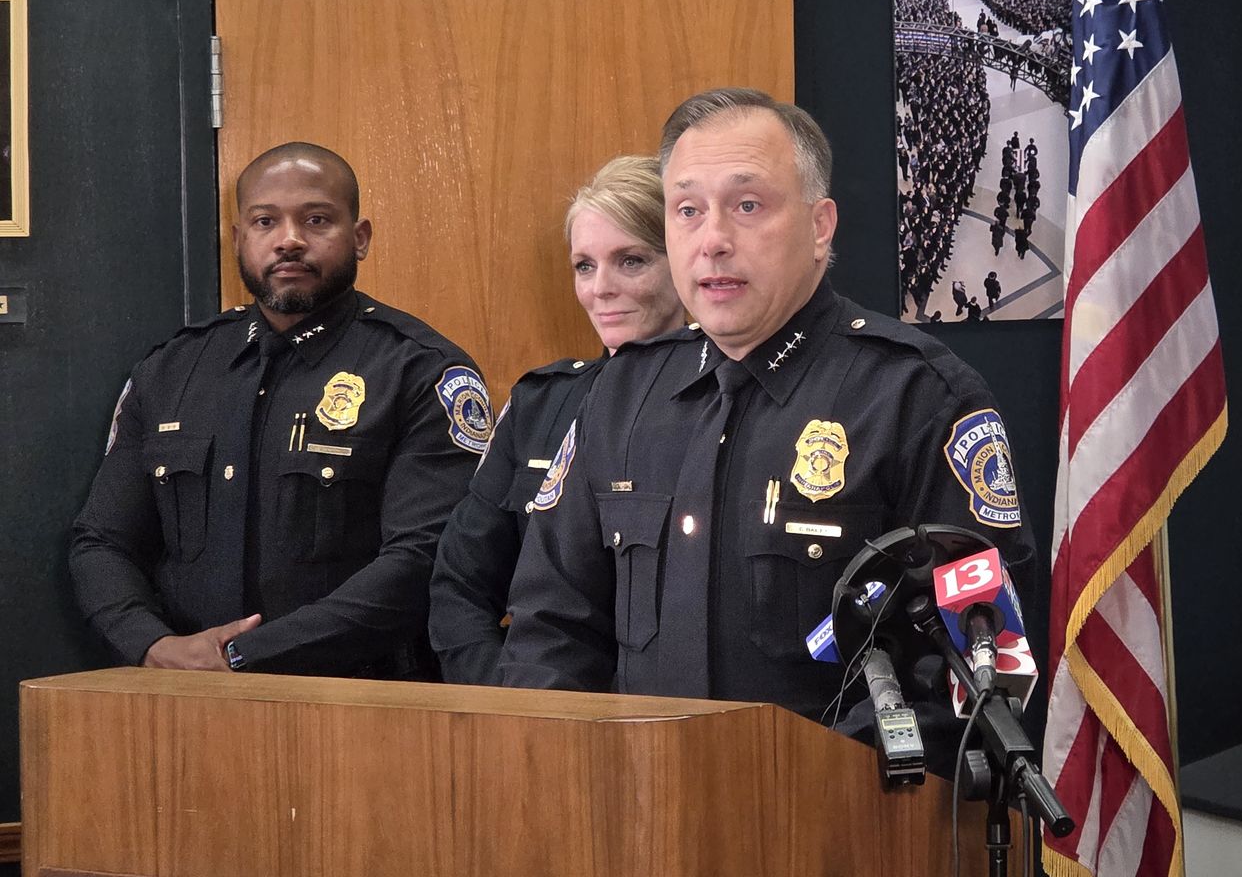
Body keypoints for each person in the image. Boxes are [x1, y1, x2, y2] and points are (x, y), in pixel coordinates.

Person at [497, 89, 1035, 737]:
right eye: (688, 210)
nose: (714, 240)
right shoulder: (620, 396)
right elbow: (550, 626)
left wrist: (800, 795)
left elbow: (970, 667)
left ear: (819, 226)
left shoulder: (917, 399)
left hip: (835, 822)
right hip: (635, 813)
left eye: (747, 205)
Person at [69, 142, 488, 679]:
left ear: (359, 239)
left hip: (360, 700)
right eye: (265, 221)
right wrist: (152, 644)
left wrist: (243, 657)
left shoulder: (420, 371)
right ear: (239, 240)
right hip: (181, 698)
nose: (289, 240)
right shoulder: (172, 369)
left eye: (316, 220)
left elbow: (423, 558)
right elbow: (102, 541)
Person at [428, 156, 682, 684]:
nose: (600, 288)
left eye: (631, 260)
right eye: (584, 266)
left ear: (684, 261)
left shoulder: (728, 407)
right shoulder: (541, 403)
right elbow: (460, 583)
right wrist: (510, 701)